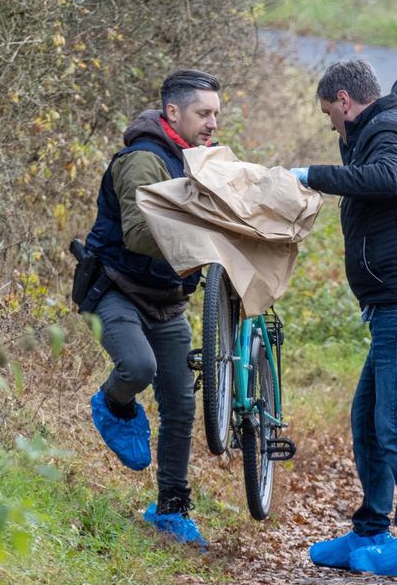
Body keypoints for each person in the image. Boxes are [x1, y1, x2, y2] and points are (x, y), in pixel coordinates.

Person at [290, 59, 397, 579]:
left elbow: (388, 179)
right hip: (396, 302)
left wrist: (309, 176)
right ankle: (369, 530)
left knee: (396, 426)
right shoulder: (377, 130)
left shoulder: (387, 127)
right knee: (368, 419)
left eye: (329, 113)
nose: (330, 124)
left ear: (344, 100)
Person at [81, 69, 222, 548]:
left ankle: (171, 509)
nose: (212, 124)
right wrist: (207, 236)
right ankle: (113, 403)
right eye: (203, 114)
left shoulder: (197, 161)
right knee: (138, 366)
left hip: (166, 303)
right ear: (173, 113)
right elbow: (140, 235)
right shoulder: (143, 159)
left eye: (216, 114)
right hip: (116, 290)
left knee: (182, 405)